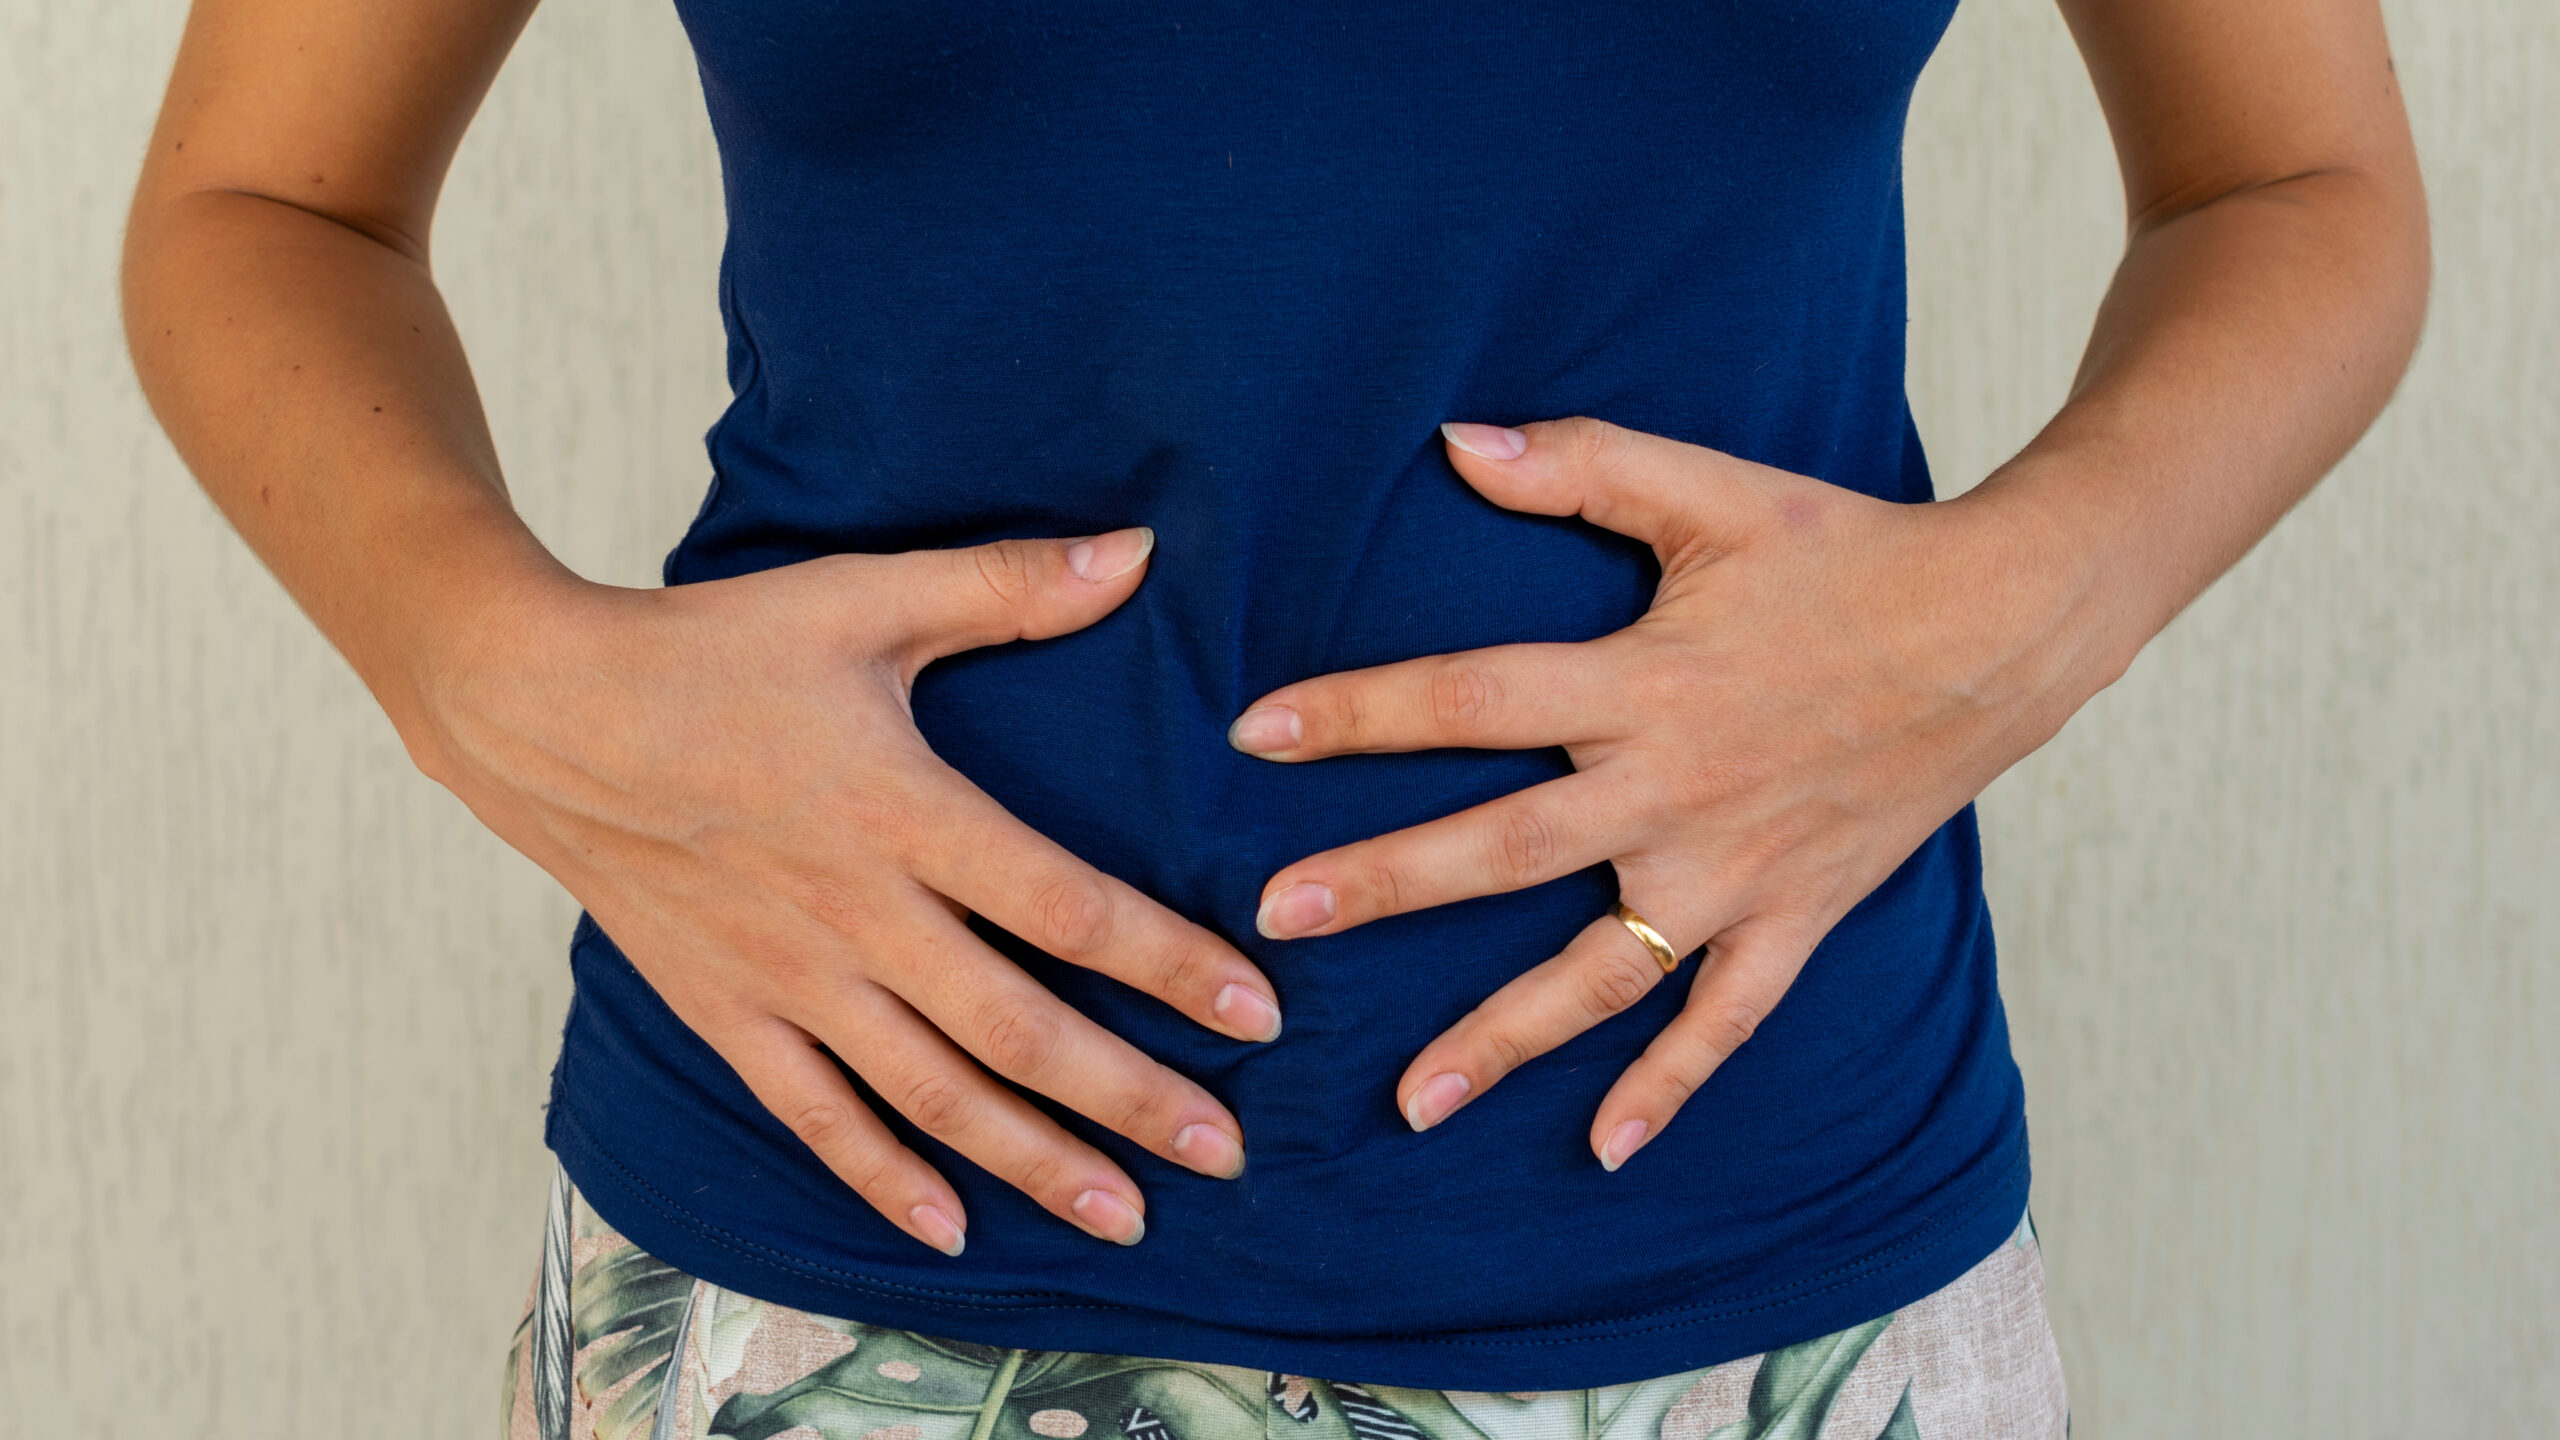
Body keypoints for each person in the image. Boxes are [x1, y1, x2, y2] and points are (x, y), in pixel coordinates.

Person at [121, 0, 2427, 1435]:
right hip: (834, 1268)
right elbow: (266, 195)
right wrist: (485, 671)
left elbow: (2294, 180)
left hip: (1758, 1260)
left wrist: (2023, 610)